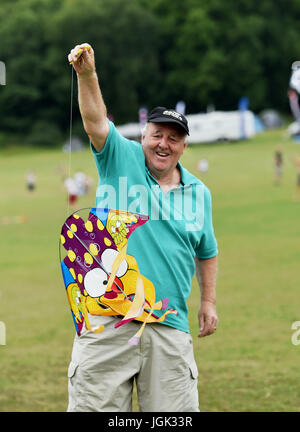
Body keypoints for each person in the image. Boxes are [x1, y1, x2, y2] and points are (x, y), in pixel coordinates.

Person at [66, 43, 218, 412]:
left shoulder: (199, 193)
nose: (163, 144)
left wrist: (209, 301)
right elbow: (95, 122)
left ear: (184, 145)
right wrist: (87, 75)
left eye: (173, 137)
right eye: (157, 135)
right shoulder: (120, 156)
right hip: (107, 320)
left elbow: (207, 251)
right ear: (144, 135)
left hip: (169, 324)